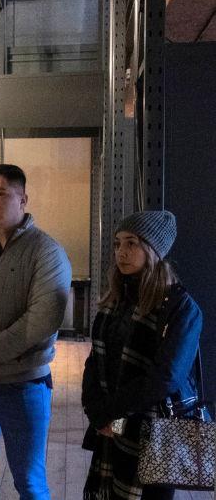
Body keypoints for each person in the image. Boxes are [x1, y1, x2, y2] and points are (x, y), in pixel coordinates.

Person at [0, 164, 72, 500]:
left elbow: (42, 319)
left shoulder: (46, 252)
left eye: (1, 194)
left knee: (30, 482)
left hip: (21, 385)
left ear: (23, 199)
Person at [81, 211, 203, 500]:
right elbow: (95, 360)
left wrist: (106, 411)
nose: (121, 253)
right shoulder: (116, 299)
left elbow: (166, 377)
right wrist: (96, 410)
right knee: (114, 483)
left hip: (158, 427)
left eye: (132, 243)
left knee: (150, 496)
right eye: (117, 244)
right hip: (120, 417)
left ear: (154, 250)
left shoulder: (181, 307)